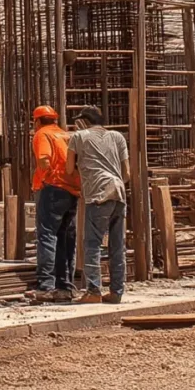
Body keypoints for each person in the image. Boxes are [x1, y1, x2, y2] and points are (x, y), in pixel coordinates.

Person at [65, 105, 130, 305]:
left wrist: (85, 173)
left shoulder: (78, 137)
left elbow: (68, 169)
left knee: (92, 244)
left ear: (83, 122)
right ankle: (117, 291)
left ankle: (93, 290)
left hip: (97, 195)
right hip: (118, 192)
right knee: (117, 245)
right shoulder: (118, 137)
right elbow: (126, 173)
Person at [31, 104, 80, 303]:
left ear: (37, 121)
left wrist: (46, 177)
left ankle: (46, 286)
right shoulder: (66, 135)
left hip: (53, 189)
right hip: (71, 190)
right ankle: (65, 286)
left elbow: (44, 159)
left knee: (47, 236)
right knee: (65, 239)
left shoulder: (42, 134)